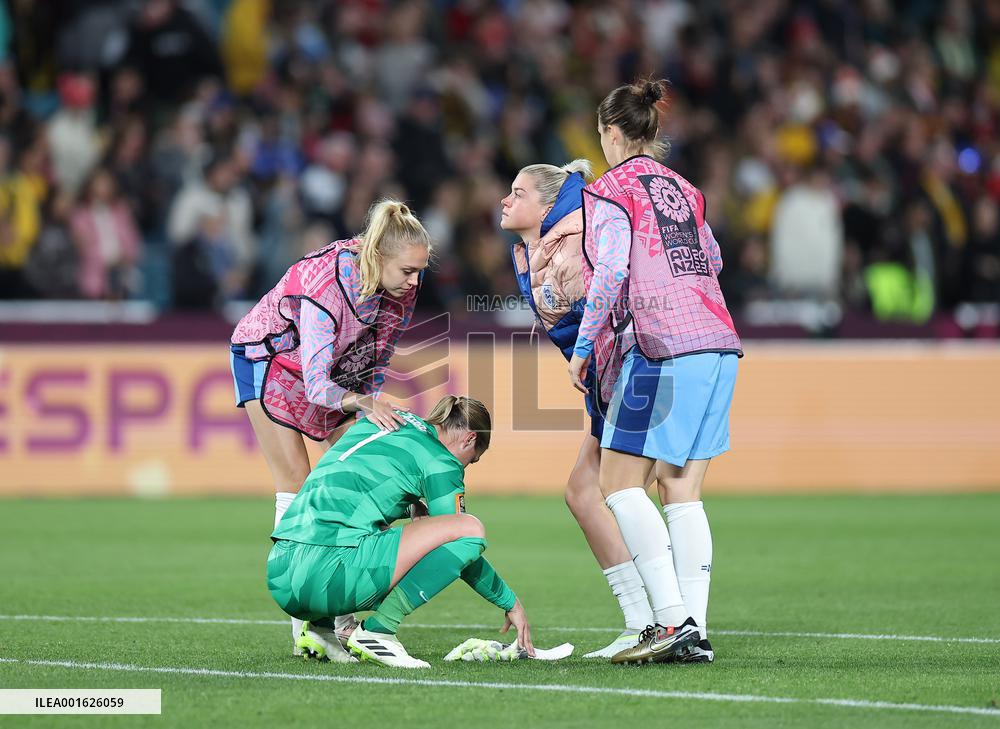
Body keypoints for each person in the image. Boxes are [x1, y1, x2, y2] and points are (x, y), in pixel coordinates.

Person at [568, 80, 743, 665]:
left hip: (661, 345)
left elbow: (612, 270)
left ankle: (669, 621)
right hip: (718, 341)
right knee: (681, 490)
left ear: (610, 134)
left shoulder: (609, 190)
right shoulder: (686, 189)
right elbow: (713, 259)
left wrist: (584, 345)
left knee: (618, 483)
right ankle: (694, 631)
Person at [231, 198, 430, 654]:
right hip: (268, 359)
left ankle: (342, 619)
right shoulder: (326, 285)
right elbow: (317, 383)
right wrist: (364, 403)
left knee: (354, 482)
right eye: (408, 271)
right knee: (298, 483)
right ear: (378, 256)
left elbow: (375, 361)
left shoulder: (400, 288)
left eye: (420, 271)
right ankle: (307, 624)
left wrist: (367, 419)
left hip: (335, 375)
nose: (415, 281)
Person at [499, 159, 656, 658]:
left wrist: (590, 358)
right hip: (610, 381)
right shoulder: (537, 250)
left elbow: (611, 305)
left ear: (548, 205)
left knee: (610, 491)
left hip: (632, 371)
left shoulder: (572, 245)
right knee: (589, 493)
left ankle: (662, 621)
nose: (506, 199)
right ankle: (650, 621)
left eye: (519, 193)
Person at [267, 395, 533, 668]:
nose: (465, 467)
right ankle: (378, 631)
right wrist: (509, 602)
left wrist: (411, 506)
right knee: (469, 528)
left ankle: (320, 629)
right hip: (326, 577)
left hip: (281, 576)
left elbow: (356, 491)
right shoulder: (441, 460)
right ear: (469, 439)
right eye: (472, 460)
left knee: (357, 527)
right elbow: (460, 542)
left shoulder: (384, 420)